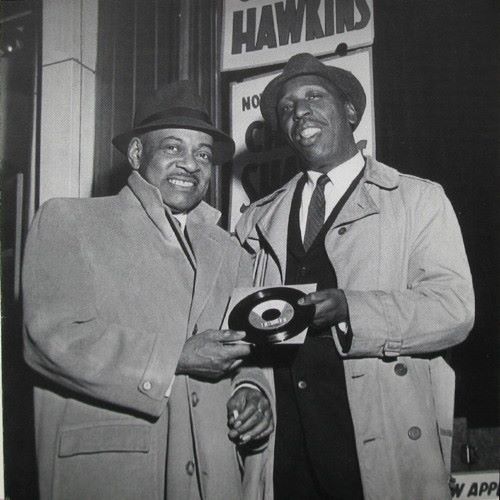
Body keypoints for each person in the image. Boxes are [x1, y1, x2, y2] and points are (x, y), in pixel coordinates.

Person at [235, 53, 474, 499]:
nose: (299, 111)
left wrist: (352, 310)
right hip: (287, 456)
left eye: (313, 97)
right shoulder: (256, 220)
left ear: (348, 110)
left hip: (378, 451)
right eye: (287, 107)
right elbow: (249, 336)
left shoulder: (416, 200)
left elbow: (454, 311)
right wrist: (250, 386)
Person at [22, 81, 273, 500]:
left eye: (203, 154)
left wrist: (251, 389)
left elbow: (251, 349)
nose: (190, 164)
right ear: (137, 154)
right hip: (116, 479)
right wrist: (179, 357)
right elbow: (52, 339)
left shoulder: (231, 251)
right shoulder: (70, 220)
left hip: (217, 477)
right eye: (173, 147)